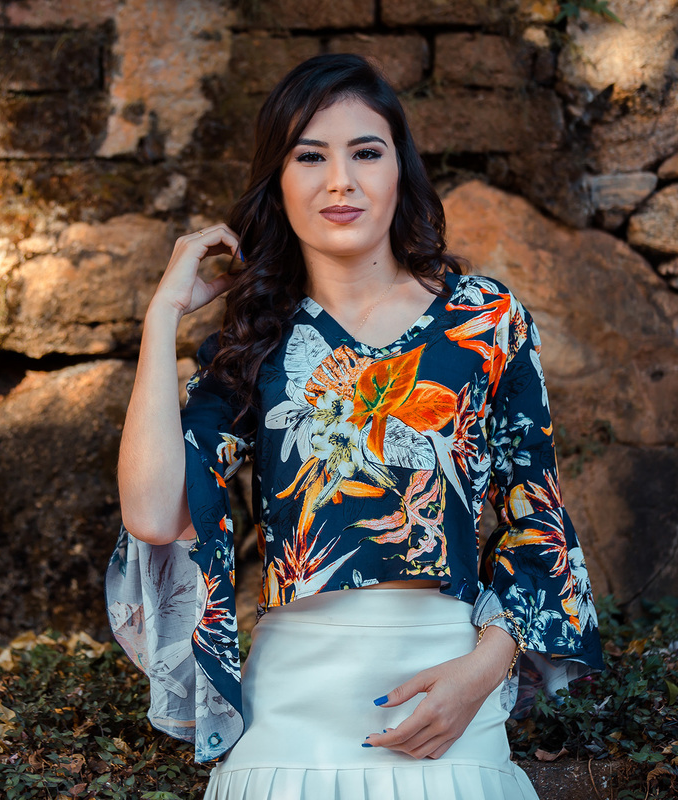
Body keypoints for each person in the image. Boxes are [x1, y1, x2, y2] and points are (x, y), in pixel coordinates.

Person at [105, 53, 603, 799]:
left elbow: (540, 522)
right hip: (289, 712)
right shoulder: (257, 339)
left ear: (401, 169)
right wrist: (162, 316)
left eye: (366, 152)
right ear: (278, 180)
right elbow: (152, 513)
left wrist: (483, 669)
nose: (340, 181)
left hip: (450, 697)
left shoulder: (485, 321)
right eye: (310, 157)